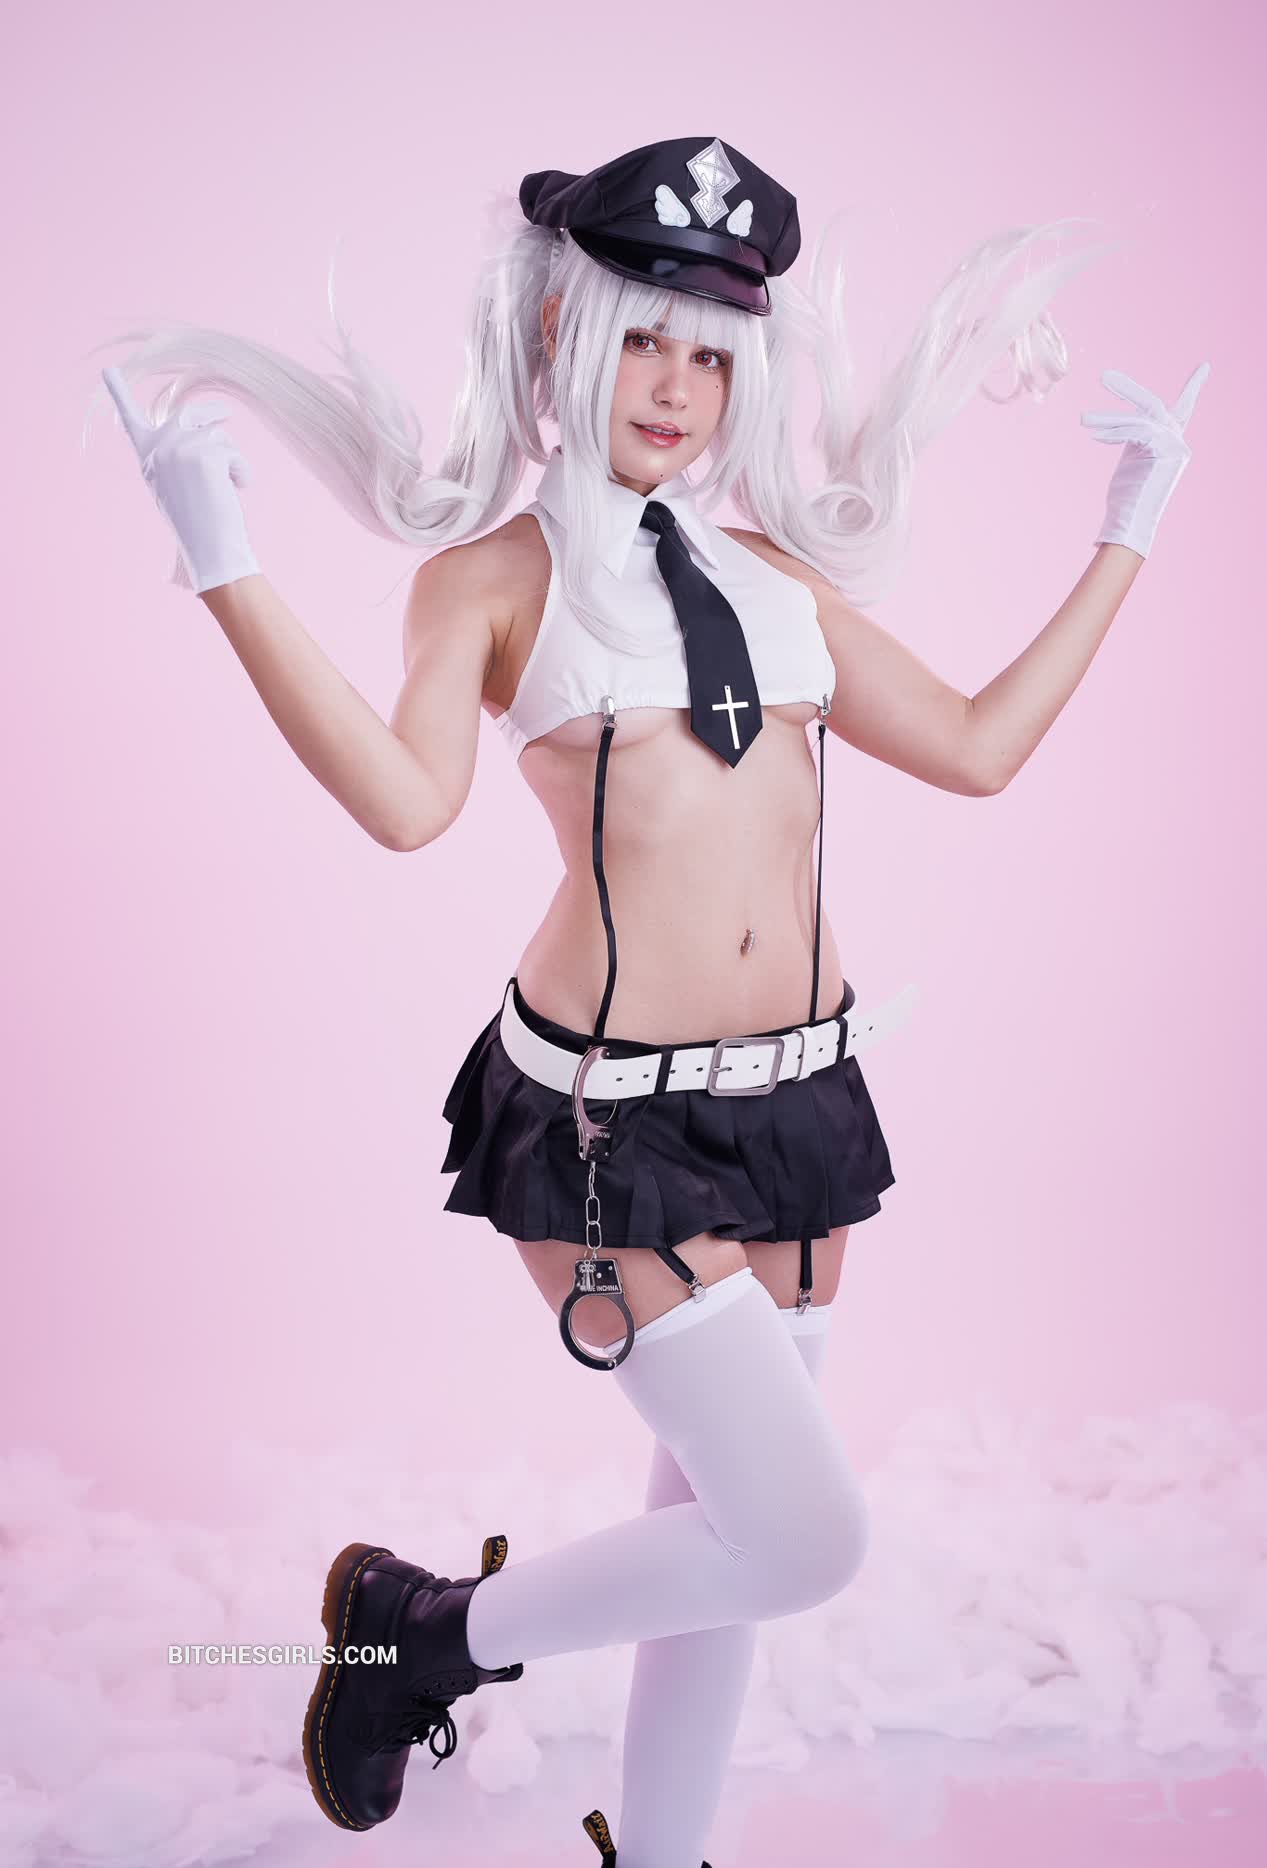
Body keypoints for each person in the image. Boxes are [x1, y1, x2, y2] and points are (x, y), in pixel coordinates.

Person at [91, 135, 1206, 1867]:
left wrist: (1130, 528)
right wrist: (223, 558)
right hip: (607, 1122)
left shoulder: (779, 581)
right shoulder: (496, 584)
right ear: (563, 340)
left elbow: (980, 747)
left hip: (802, 1107)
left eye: (712, 354)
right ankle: (426, 1633)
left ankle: (659, 1853)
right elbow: (405, 803)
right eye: (641, 344)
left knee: (725, 1540)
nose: (677, 389)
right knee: (804, 1537)